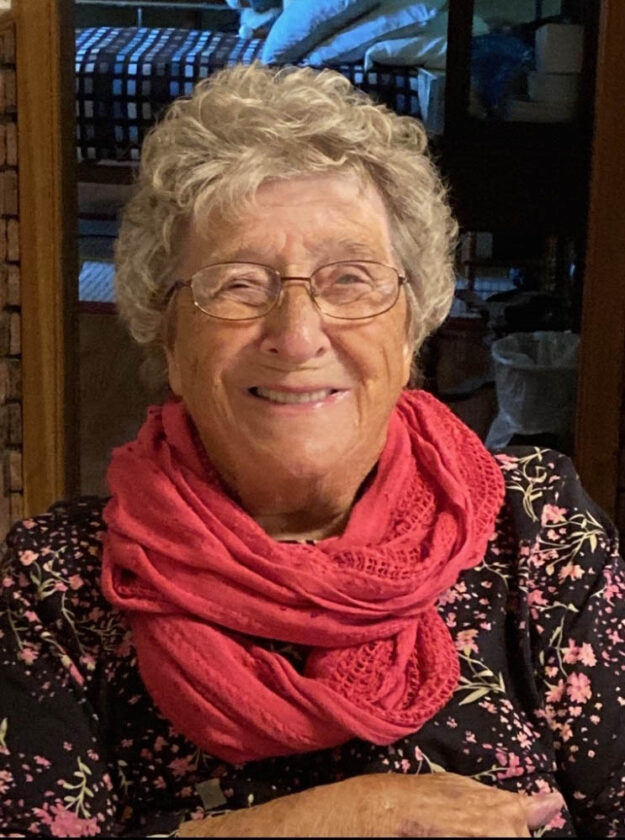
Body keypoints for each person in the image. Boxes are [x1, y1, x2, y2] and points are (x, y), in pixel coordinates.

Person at [0, 63, 623, 838]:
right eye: (238, 284)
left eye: (349, 279)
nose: (296, 336)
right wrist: (334, 820)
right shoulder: (57, 584)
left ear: (410, 327)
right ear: (167, 336)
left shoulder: (537, 530)